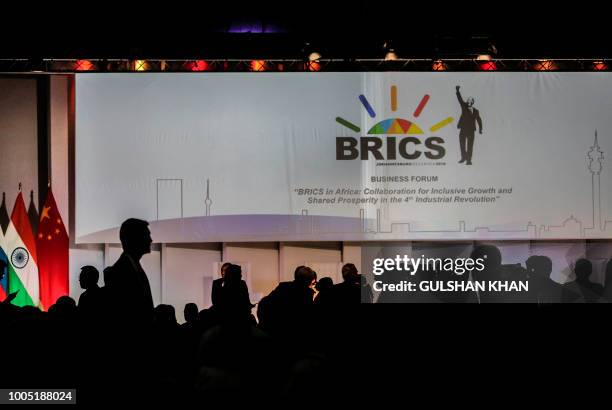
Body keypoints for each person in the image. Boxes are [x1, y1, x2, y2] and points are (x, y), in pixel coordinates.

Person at [104, 218, 154, 324]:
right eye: (146, 235)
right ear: (133, 239)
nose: (150, 240)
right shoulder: (119, 273)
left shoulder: (133, 267)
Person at [455, 85, 483, 165]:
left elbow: (479, 120)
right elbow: (460, 100)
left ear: (473, 102)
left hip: (471, 131)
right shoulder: (464, 107)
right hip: (463, 129)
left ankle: (469, 160)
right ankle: (463, 158)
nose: (469, 102)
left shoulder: (476, 111)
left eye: (471, 101)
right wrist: (457, 91)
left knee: (470, 146)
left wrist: (480, 129)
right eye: (468, 100)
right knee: (462, 144)